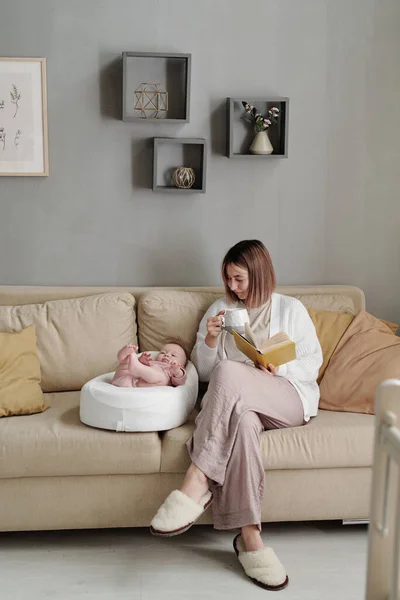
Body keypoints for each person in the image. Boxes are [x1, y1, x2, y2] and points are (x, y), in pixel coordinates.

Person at [150, 240, 323, 591]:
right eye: (228, 278)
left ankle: (198, 477)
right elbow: (204, 373)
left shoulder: (291, 308)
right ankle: (250, 538)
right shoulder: (220, 309)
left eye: (239, 279)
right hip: (241, 405)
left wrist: (278, 367)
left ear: (259, 274)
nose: (232, 287)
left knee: (232, 371)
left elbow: (311, 362)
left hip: (286, 397)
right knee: (241, 420)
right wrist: (210, 341)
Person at [111, 342, 187, 388]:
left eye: (173, 355)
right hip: (127, 380)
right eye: (163, 352)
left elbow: (181, 381)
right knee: (125, 366)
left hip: (143, 383)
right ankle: (126, 356)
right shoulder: (152, 362)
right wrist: (142, 361)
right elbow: (137, 368)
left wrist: (177, 371)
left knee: (163, 377)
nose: (166, 355)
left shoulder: (173, 370)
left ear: (182, 366)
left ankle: (135, 365)